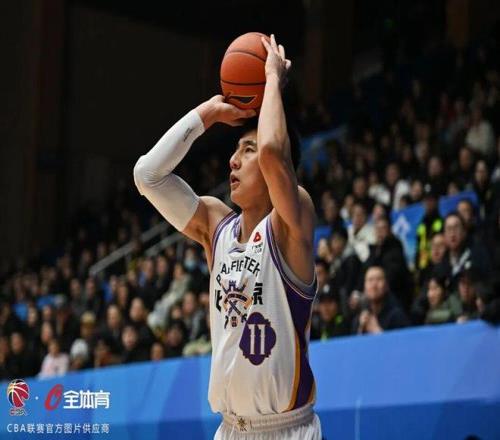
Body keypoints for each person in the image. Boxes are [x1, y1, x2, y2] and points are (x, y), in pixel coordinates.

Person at [133, 34, 322, 439]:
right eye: (235, 151)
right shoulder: (216, 227)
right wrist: (207, 114)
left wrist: (273, 79)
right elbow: (147, 176)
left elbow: (273, 151)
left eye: (247, 150)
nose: (233, 161)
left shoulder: (292, 220)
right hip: (230, 429)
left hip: (286, 430)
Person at [351, 266, 410, 334]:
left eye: (379, 279)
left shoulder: (397, 316)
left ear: (387, 286)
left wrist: (376, 330)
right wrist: (361, 329)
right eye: (370, 280)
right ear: (364, 287)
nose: (374, 285)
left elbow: (406, 340)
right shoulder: (358, 320)